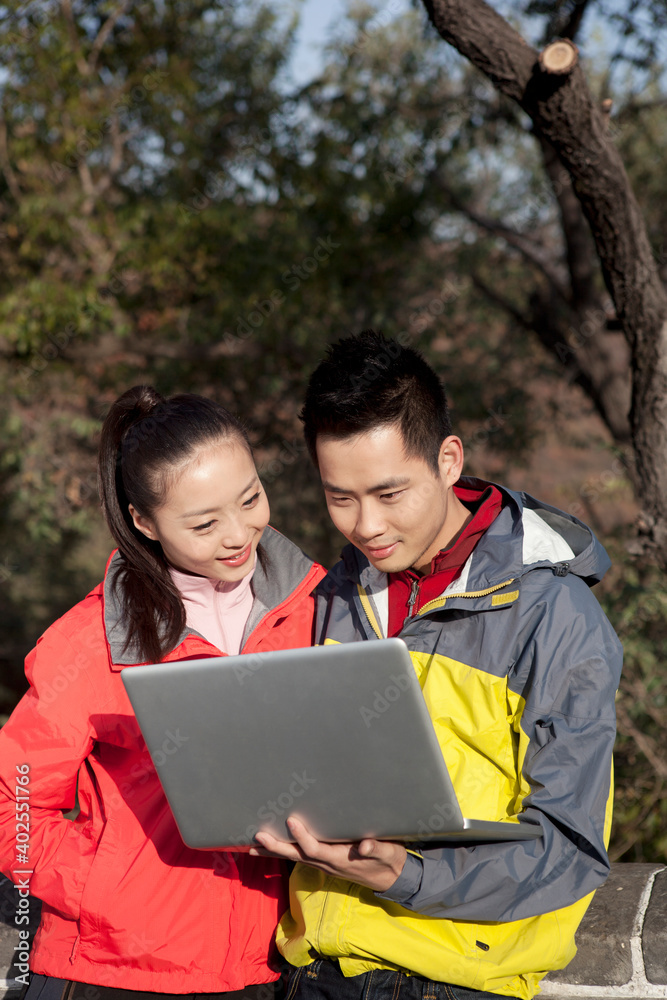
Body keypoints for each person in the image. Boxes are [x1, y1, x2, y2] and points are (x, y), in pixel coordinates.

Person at [250, 331, 623, 1000]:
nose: (365, 525)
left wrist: (406, 876)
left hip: (451, 984)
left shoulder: (554, 614)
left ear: (448, 459)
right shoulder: (329, 596)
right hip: (308, 976)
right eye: (340, 497)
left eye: (389, 494)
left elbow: (567, 850)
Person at [0, 386, 325, 1000]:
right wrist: (99, 887)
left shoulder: (321, 610)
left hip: (262, 973)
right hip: (103, 975)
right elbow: (11, 802)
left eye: (251, 497)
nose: (238, 534)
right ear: (144, 522)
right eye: (204, 523)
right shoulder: (91, 637)